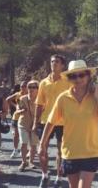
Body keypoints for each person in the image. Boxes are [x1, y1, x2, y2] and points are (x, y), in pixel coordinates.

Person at [38, 60, 98, 188]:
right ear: (68, 79)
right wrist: (42, 144)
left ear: (88, 75)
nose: (78, 79)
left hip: (91, 152)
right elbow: (51, 122)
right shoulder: (63, 98)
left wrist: (97, 95)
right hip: (70, 153)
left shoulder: (96, 96)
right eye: (73, 76)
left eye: (81, 75)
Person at [33, 54, 72, 188]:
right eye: (52, 61)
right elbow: (39, 104)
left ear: (62, 65)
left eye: (57, 62)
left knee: (61, 151)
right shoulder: (43, 82)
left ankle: (59, 177)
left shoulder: (68, 81)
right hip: (46, 121)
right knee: (42, 149)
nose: (54, 64)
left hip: (63, 122)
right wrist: (34, 122)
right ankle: (45, 175)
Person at [16, 80, 40, 171]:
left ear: (38, 89)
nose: (31, 89)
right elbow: (17, 109)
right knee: (23, 143)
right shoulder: (22, 98)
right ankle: (23, 162)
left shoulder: (41, 99)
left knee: (33, 145)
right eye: (29, 87)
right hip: (23, 124)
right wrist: (21, 111)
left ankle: (31, 162)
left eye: (34, 87)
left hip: (35, 125)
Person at [6, 81, 28, 158]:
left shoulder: (30, 94)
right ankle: (15, 150)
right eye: (22, 86)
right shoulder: (17, 94)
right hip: (17, 116)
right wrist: (15, 106)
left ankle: (25, 150)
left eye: (25, 86)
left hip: (27, 117)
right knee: (16, 134)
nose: (23, 88)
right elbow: (8, 99)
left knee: (27, 134)